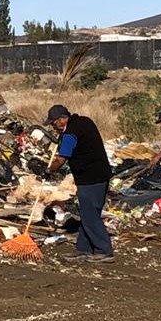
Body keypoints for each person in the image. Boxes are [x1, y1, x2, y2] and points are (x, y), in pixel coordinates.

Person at [46, 104, 114, 263]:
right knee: (90, 213)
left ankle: (104, 250)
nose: (53, 126)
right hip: (101, 174)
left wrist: (49, 170)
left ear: (63, 119)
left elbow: (61, 159)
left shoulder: (70, 134)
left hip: (89, 178)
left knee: (90, 215)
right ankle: (83, 248)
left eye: (53, 123)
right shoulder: (85, 121)